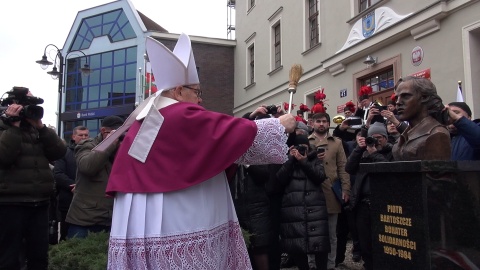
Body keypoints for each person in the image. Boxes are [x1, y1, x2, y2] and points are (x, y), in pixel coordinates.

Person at [104, 34, 296, 269]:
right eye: (196, 92)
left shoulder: (147, 120)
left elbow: (214, 144)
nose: (199, 100)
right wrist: (279, 124)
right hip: (176, 217)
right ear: (177, 91)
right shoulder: (180, 115)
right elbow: (227, 135)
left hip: (144, 219)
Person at [0, 89, 66, 269]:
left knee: (39, 256)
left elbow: (59, 152)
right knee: (8, 257)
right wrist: (12, 125)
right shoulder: (3, 125)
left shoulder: (36, 129)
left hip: (40, 201)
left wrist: (41, 127)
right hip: (10, 202)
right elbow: (4, 157)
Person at [276, 134, 330, 270]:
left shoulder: (315, 159)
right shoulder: (286, 160)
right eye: (298, 148)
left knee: (320, 246)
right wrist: (290, 159)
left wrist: (304, 161)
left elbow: (319, 177)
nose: (301, 151)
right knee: (297, 247)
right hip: (293, 210)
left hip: (315, 209)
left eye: (304, 148)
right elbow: (280, 179)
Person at [66, 116, 124, 238]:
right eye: (117, 134)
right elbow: (87, 167)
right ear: (103, 131)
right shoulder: (87, 145)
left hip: (112, 219)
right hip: (85, 219)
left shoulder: (122, 148)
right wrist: (109, 144)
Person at [346, 122, 394, 270]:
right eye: (372, 138)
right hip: (363, 205)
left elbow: (388, 171)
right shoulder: (363, 153)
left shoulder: (392, 152)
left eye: (379, 138)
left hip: (384, 204)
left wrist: (375, 153)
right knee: (365, 242)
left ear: (386, 138)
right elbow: (349, 168)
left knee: (384, 242)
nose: (375, 141)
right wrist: (359, 149)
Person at [308, 112, 350, 270]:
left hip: (331, 193)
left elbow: (343, 168)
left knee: (332, 234)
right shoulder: (306, 141)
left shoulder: (337, 142)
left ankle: (330, 265)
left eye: (324, 121)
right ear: (312, 123)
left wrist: (346, 189)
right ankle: (312, 264)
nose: (321, 124)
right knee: (312, 232)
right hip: (312, 193)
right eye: (318, 121)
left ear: (328, 124)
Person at [392, 76, 451, 161]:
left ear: (424, 97)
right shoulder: (404, 135)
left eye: (405, 96)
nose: (398, 102)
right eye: (397, 98)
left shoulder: (436, 134)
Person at [53, 126, 89, 241]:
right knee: (66, 234)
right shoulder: (64, 153)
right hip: (68, 200)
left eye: (86, 135)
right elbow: (58, 174)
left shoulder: (94, 152)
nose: (83, 138)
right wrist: (74, 186)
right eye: (80, 135)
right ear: (74, 137)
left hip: (88, 202)